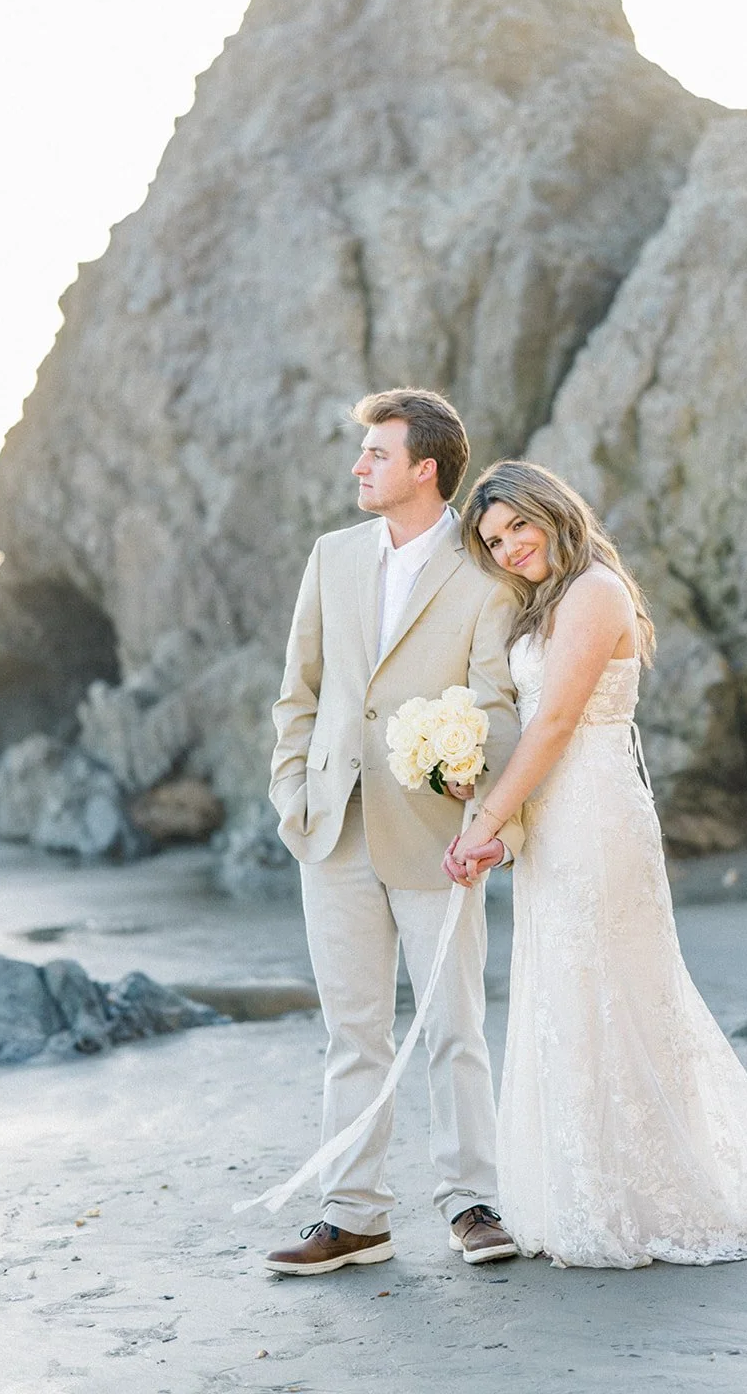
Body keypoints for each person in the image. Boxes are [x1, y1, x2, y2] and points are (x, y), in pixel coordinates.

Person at [446, 459, 747, 1269]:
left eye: (517, 527)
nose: (507, 548)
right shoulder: (539, 604)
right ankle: (585, 1190)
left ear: (552, 513)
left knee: (614, 987)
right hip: (553, 818)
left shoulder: (595, 592)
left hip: (596, 815)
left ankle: (650, 1197)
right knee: (565, 990)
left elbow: (552, 729)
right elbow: (522, 727)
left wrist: (486, 824)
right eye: (492, 539)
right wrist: (486, 797)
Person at [264, 389, 523, 1275]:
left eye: (377, 454)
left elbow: (496, 705)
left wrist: (483, 812)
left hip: (438, 836)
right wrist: (290, 792)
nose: (358, 467)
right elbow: (300, 688)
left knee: (455, 1024)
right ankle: (354, 1216)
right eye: (362, 453)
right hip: (330, 828)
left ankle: (471, 1200)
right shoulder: (331, 556)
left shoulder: (485, 572)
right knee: (354, 1032)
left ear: (426, 468)